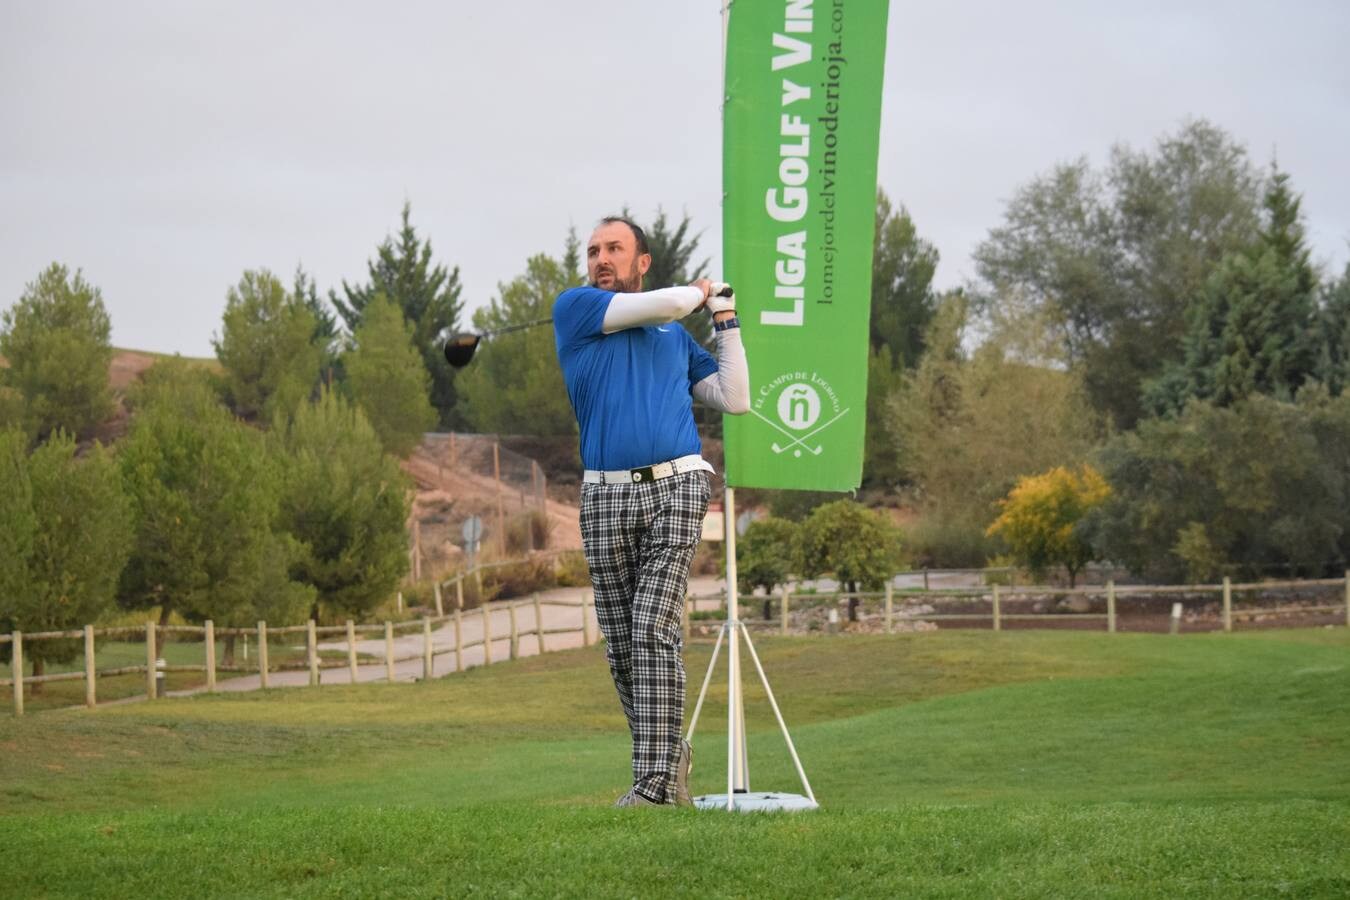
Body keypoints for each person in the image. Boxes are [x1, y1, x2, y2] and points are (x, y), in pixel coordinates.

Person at [553, 215, 750, 807]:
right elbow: (667, 305)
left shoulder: (672, 338)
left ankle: (655, 786)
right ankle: (669, 759)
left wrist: (725, 318)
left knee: (652, 627)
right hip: (603, 493)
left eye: (615, 249)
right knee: (620, 644)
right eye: (593, 251)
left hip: (677, 485)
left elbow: (735, 399)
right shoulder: (577, 310)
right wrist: (700, 291)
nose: (600, 259)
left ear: (643, 262)